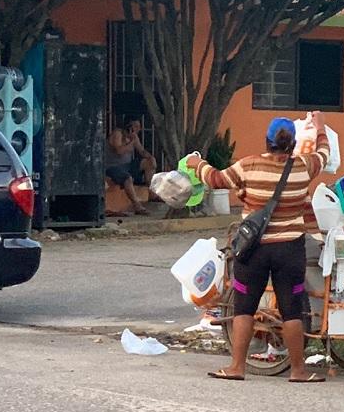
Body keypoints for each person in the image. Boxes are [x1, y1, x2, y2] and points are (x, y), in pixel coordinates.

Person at [184, 113, 329, 383]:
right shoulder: (304, 166)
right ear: (293, 143)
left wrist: (197, 163)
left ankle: (237, 367)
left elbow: (215, 180)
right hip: (290, 250)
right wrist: (319, 129)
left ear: (267, 140)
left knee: (244, 307)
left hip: (254, 250)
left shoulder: (248, 165)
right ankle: (298, 371)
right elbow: (323, 153)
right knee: (292, 309)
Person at [106, 116, 156, 215]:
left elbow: (141, 150)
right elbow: (119, 151)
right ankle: (136, 205)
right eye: (136, 126)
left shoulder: (134, 137)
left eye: (139, 127)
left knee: (147, 163)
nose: (138, 129)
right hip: (113, 166)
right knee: (127, 178)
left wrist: (151, 158)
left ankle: (152, 193)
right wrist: (132, 142)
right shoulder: (118, 134)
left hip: (127, 165)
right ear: (129, 126)